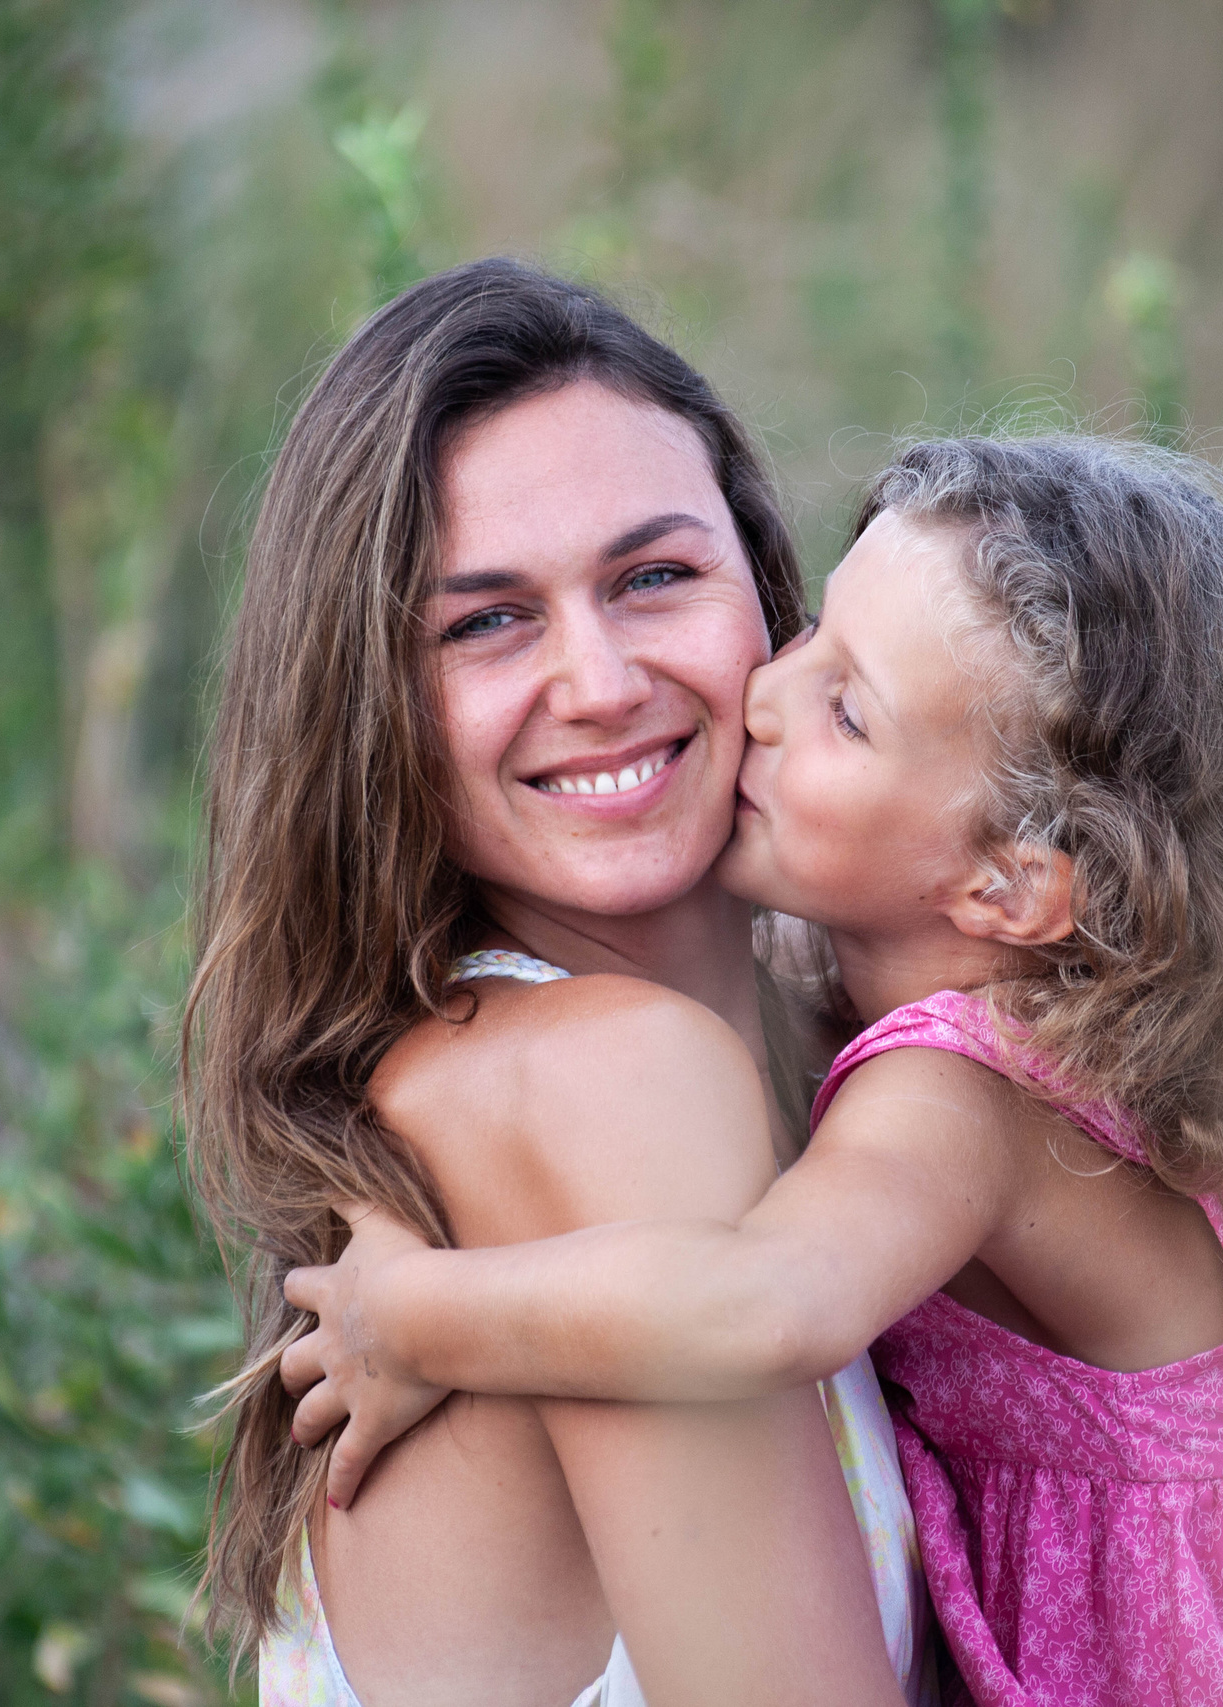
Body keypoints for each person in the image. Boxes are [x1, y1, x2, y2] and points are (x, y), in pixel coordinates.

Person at [282, 435, 1223, 1704]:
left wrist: (416, 1316)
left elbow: (763, 1307)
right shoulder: (1087, 1037)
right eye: (811, 631)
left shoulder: (963, 1099)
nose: (765, 693)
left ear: (1008, 882)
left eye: (845, 710)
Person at [181, 258, 930, 1707]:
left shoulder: (801, 1042)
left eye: (655, 576)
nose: (598, 680)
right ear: (369, 709)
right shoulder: (606, 1077)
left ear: (769, 602)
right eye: (484, 622)